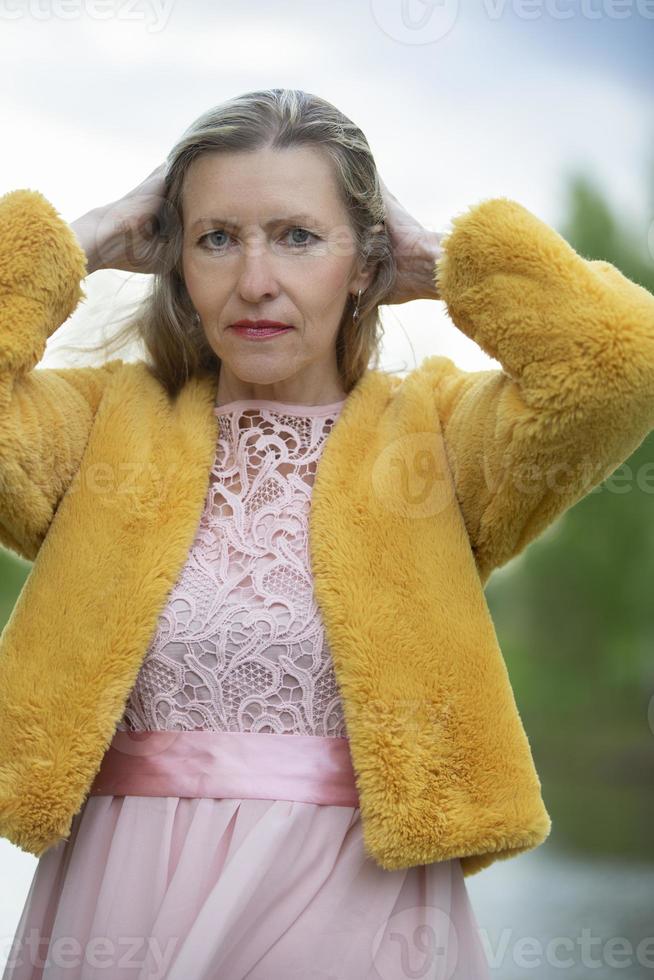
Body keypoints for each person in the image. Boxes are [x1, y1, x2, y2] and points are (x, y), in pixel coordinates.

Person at [2, 87, 653, 979]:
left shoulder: (435, 441)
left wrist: (448, 259)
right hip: (119, 905)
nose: (255, 280)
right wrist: (81, 237)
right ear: (174, 261)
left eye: (299, 236)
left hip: (358, 911)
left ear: (364, 263)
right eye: (217, 238)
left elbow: (619, 361)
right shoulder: (105, 426)